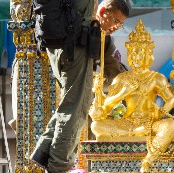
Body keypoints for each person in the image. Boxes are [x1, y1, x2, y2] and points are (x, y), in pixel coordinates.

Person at [29, 0, 130, 172]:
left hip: (61, 45)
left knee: (70, 103)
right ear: (104, 11)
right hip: (74, 46)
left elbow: (114, 66)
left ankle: (43, 150)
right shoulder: (89, 21)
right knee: (75, 108)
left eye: (120, 24)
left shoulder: (95, 27)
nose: (116, 27)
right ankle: (59, 165)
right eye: (115, 21)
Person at [89, 19, 174, 173]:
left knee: (171, 125)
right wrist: (122, 93)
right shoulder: (122, 78)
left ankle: (148, 160)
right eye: (133, 53)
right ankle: (137, 132)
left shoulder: (156, 78)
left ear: (148, 54)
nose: (136, 57)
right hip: (128, 123)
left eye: (140, 53)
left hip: (150, 123)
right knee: (96, 126)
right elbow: (103, 110)